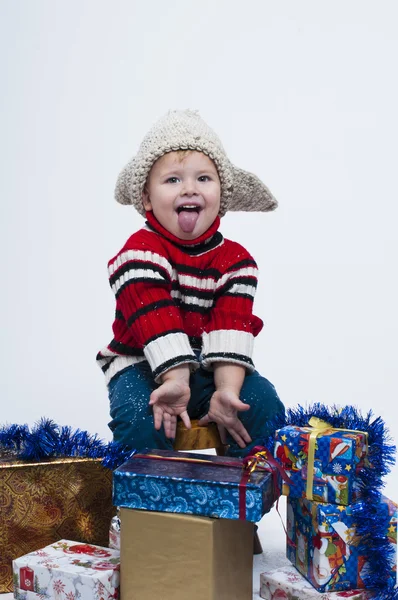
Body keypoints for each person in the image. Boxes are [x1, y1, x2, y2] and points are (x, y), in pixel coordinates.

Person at [97, 109, 284, 457]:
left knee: (261, 403)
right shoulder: (138, 253)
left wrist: (227, 389)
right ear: (147, 198)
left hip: (209, 365)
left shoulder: (236, 261)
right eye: (172, 180)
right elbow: (154, 318)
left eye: (203, 178)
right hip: (141, 364)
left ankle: (239, 498)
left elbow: (232, 326)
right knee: (140, 419)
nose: (189, 189)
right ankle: (148, 507)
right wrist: (175, 379)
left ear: (222, 195)